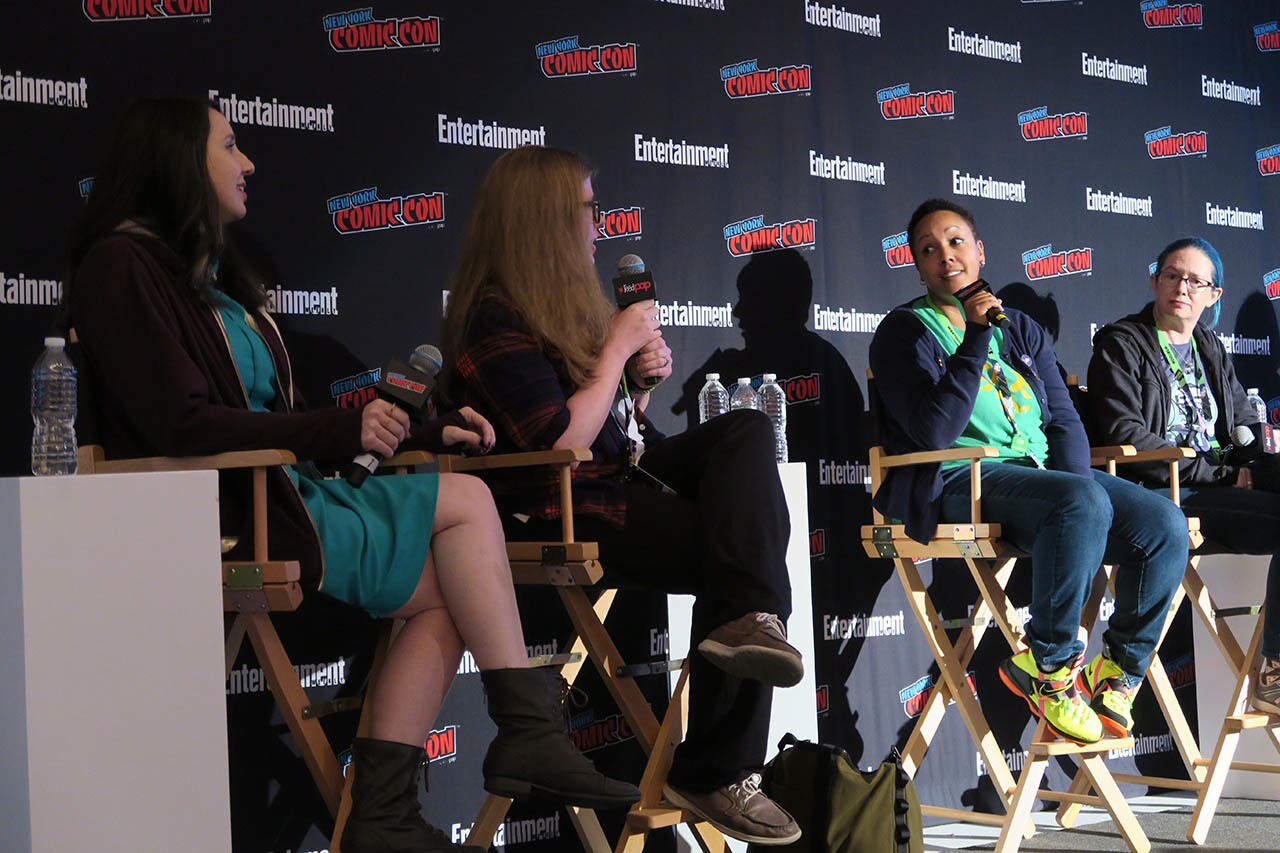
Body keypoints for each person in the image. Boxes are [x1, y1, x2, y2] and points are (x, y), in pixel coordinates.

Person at [64, 96, 639, 853]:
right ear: (176, 158)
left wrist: (422, 428)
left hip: (284, 489)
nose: (249, 164)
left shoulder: (211, 283)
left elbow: (280, 412)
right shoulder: (120, 265)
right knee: (465, 503)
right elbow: (182, 423)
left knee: (451, 593)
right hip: (227, 507)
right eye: (230, 146)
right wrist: (342, 425)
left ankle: (387, 812)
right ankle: (519, 734)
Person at [439, 145, 803, 846]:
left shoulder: (560, 307)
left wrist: (634, 388)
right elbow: (554, 447)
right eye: (587, 210)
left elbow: (607, 428)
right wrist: (612, 354)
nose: (599, 227)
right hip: (563, 504)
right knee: (742, 553)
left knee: (750, 434)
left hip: (615, 479)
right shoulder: (494, 318)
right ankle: (717, 767)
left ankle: (750, 630)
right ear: (543, 219)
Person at [868, 198, 1188, 744]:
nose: (946, 256)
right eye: (929, 249)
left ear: (980, 250)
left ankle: (1117, 674)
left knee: (1163, 524)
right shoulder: (903, 332)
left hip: (1038, 476)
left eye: (956, 241)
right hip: (960, 482)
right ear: (917, 265)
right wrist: (973, 337)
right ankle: (1050, 669)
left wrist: (1082, 493)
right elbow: (934, 433)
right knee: (1078, 503)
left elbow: (1063, 422)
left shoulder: (1020, 328)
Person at [1087, 236, 1280, 715]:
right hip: (1168, 490)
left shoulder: (1209, 346)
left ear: (1214, 296)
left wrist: (1255, 449)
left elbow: (1241, 419)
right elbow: (1125, 433)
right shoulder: (1122, 343)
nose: (1182, 287)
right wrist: (1219, 472)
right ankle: (1274, 673)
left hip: (1222, 475)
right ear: (1155, 280)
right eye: (1172, 275)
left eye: (1196, 281)